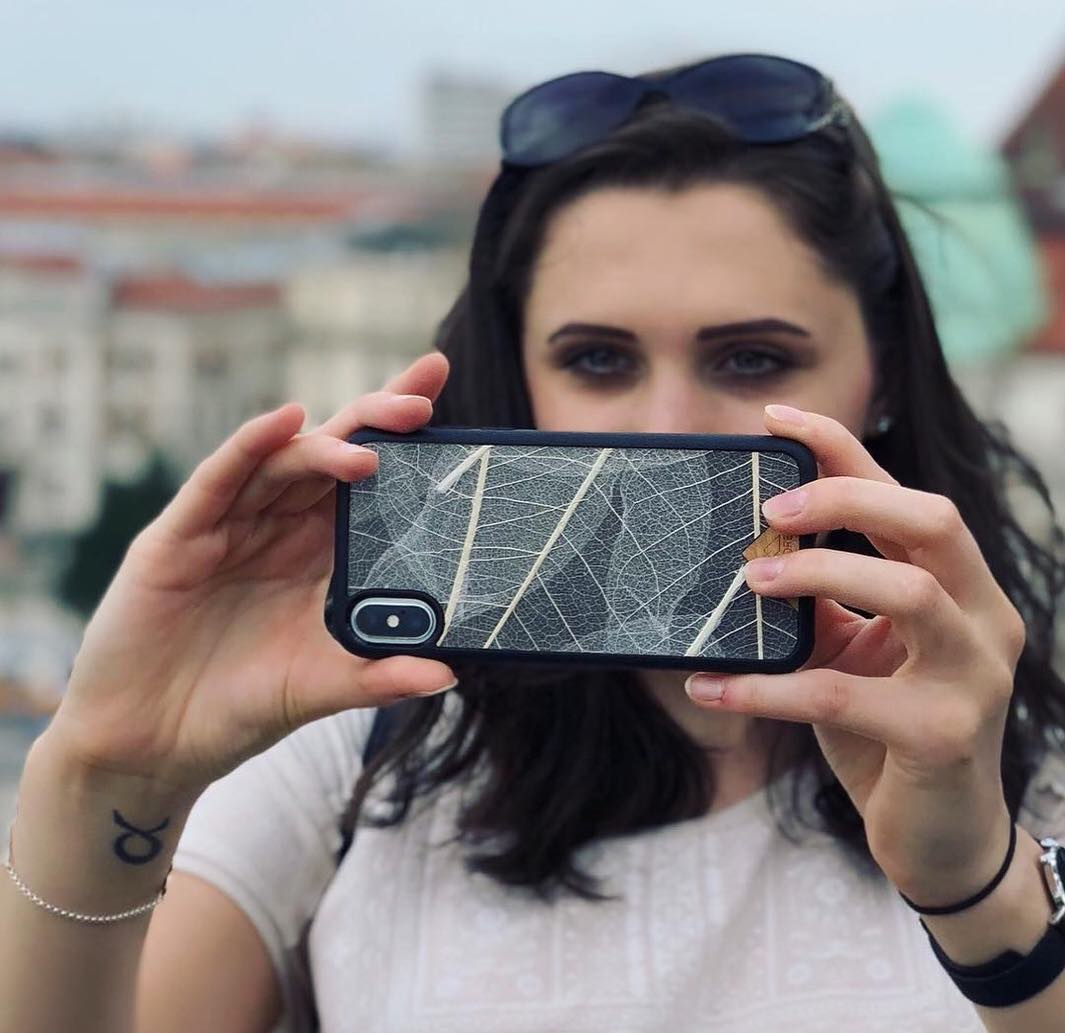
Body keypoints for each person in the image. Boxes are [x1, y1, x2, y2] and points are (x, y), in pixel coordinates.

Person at [2, 53, 1065, 1033]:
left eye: (750, 359)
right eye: (598, 360)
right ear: (516, 382)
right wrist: (106, 774)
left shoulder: (1021, 756)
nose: (665, 430)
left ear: (882, 375)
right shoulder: (363, 747)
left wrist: (979, 887)